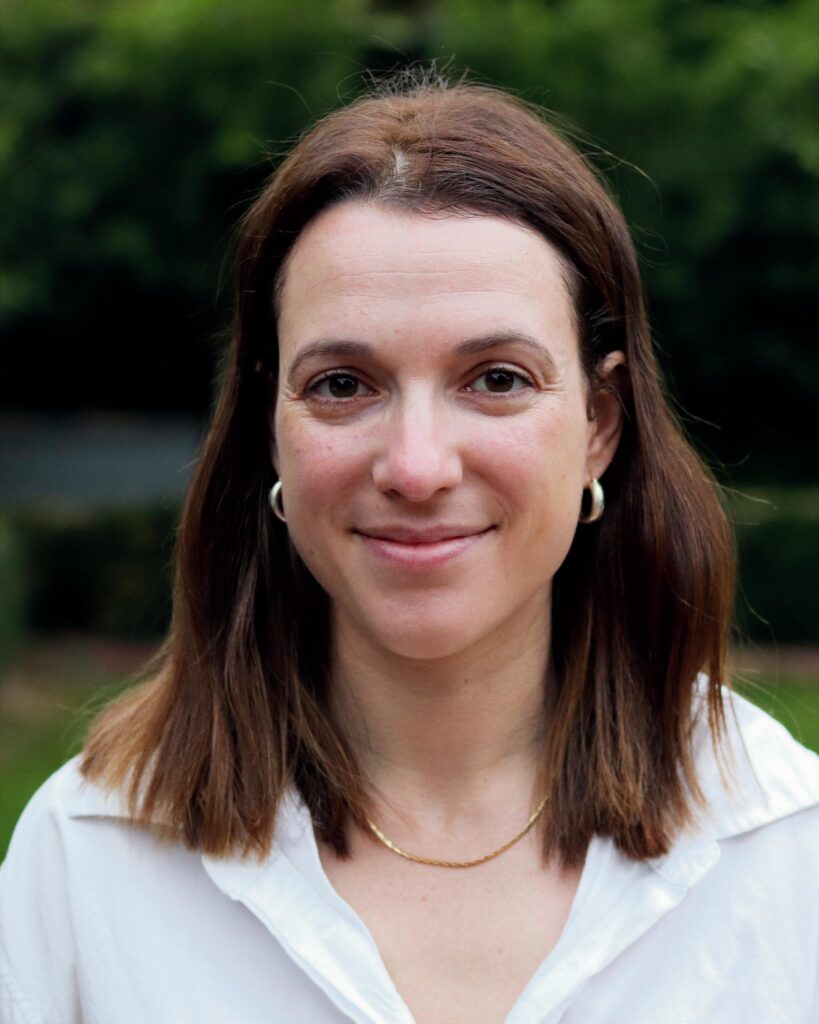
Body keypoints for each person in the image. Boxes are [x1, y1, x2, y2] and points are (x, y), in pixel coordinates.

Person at [1, 72, 817, 1024]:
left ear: (599, 422)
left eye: (496, 379)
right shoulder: (90, 857)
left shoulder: (784, 851)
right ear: (270, 426)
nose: (417, 467)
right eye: (343, 384)